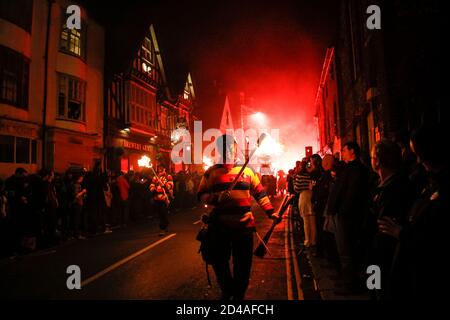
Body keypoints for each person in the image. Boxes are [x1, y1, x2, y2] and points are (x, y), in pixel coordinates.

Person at [197, 134, 279, 300]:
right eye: (226, 149)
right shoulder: (211, 173)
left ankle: (238, 297)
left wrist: (271, 212)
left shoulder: (248, 171)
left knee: (243, 265)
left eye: (232, 149)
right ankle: (228, 289)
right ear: (219, 151)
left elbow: (260, 193)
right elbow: (201, 194)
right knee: (219, 262)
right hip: (220, 228)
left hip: (244, 228)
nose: (230, 153)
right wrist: (215, 198)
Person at [378, 125, 448, 299]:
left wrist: (401, 233)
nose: (417, 160)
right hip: (396, 261)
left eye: (416, 153)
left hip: (419, 269)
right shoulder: (426, 182)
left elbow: (434, 236)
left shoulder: (430, 186)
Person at [367, 140, 417, 299]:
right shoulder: (383, 185)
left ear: (378, 160)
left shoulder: (395, 189)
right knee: (374, 290)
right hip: (375, 258)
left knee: (381, 292)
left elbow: (382, 229)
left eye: (372, 157)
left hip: (385, 260)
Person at [332, 142, 370, 294]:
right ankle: (349, 281)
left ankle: (352, 285)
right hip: (346, 215)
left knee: (347, 251)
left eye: (344, 150)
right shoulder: (350, 169)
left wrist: (343, 211)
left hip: (349, 217)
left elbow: (351, 194)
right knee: (346, 251)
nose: (342, 152)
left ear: (352, 151)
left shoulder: (356, 170)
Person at [294, 158, 316, 248]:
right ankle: (314, 240)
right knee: (312, 221)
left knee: (305, 221)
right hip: (312, 196)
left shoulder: (299, 176)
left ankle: (307, 241)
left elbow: (296, 188)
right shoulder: (311, 175)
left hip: (303, 197)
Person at [150, 166, 174, 235]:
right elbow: (152, 185)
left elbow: (171, 185)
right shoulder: (155, 177)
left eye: (161, 168)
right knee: (160, 213)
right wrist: (153, 190)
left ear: (164, 169)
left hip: (165, 197)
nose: (160, 170)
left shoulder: (168, 176)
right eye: (159, 168)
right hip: (157, 198)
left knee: (164, 212)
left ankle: (162, 228)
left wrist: (164, 185)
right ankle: (165, 225)